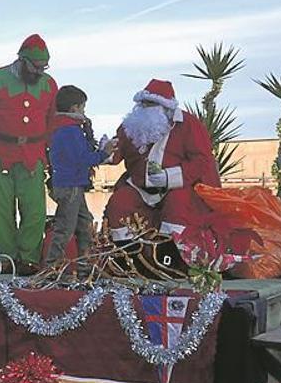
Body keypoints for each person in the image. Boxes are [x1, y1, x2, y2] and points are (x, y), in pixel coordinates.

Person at [0, 34, 59, 275]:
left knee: (35, 211)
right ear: (22, 60)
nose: (40, 72)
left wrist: (49, 154)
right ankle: (6, 261)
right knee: (1, 211)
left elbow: (53, 121)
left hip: (33, 155)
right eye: (36, 67)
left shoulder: (49, 85)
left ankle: (28, 260)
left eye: (44, 67)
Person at [104, 79, 221, 240]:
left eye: (149, 104)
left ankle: (173, 252)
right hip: (139, 186)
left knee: (177, 207)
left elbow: (202, 160)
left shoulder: (188, 124)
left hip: (176, 187)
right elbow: (117, 151)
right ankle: (125, 252)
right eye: (142, 103)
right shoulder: (132, 125)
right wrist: (106, 151)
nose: (143, 108)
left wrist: (169, 176)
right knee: (119, 204)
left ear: (165, 107)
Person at [47, 86, 116, 268]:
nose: (84, 111)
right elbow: (81, 159)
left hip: (72, 185)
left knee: (85, 224)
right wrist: (104, 153)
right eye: (83, 107)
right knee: (65, 228)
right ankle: (52, 267)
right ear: (74, 108)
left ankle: (84, 265)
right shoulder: (70, 131)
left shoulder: (63, 128)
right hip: (70, 186)